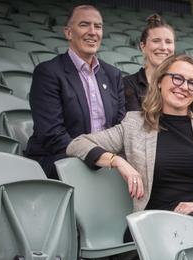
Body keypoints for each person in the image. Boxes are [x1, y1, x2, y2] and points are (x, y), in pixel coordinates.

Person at [67, 54, 193, 240]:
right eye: (178, 78)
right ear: (159, 81)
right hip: (155, 218)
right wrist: (117, 161)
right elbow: (77, 144)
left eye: (192, 83)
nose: (184, 87)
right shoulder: (135, 125)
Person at [25, 5, 125, 178]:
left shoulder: (113, 75)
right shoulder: (48, 72)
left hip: (105, 161)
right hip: (62, 160)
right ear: (68, 32)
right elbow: (52, 135)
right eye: (84, 24)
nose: (93, 32)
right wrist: (101, 157)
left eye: (98, 26)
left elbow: (121, 127)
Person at [123, 13, 175, 111]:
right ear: (142, 46)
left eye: (168, 42)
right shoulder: (128, 84)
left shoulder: (181, 83)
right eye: (156, 41)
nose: (163, 47)